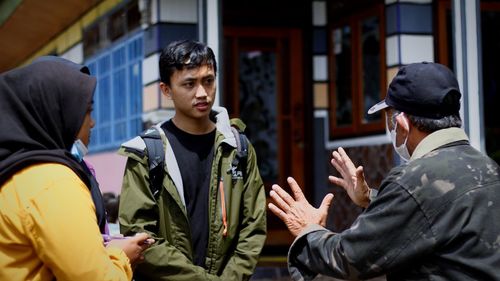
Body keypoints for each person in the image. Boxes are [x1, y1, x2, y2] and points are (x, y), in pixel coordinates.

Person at [268, 62, 500, 280]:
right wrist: (371, 197)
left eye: (390, 120)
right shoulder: (488, 168)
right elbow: (437, 211)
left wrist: (308, 229)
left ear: (402, 124)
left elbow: (349, 258)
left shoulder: (412, 180)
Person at [118, 39, 267, 280]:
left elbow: (253, 227)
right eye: (189, 83)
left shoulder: (238, 147)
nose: (202, 93)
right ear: (166, 90)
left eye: (208, 81)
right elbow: (139, 234)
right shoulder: (147, 152)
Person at [0, 56, 153, 281]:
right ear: (55, 113)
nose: (92, 122)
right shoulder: (53, 182)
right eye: (86, 111)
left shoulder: (18, 173)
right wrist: (122, 257)